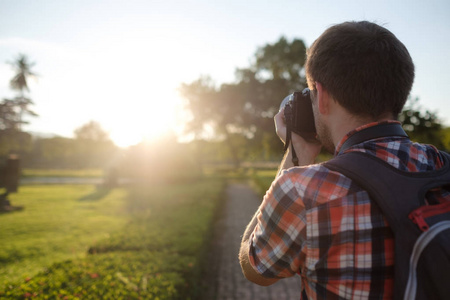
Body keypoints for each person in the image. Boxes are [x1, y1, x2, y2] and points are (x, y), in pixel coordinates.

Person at [239, 21, 448, 299]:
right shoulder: (442, 165)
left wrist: (295, 155)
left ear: (322, 96)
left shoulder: (305, 190)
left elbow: (256, 267)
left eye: (311, 95)